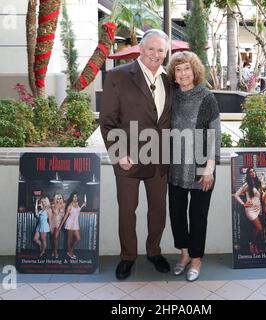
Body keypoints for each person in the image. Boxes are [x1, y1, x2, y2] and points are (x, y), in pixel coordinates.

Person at [99, 29, 171, 280]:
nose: (155, 54)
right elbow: (107, 121)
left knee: (158, 210)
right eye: (151, 48)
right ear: (141, 48)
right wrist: (118, 153)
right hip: (127, 159)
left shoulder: (169, 79)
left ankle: (154, 252)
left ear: (166, 52)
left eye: (161, 50)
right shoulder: (118, 76)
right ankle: (128, 256)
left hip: (160, 159)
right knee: (127, 211)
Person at [167, 51, 221, 281]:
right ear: (174, 75)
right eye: (178, 70)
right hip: (175, 168)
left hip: (201, 169)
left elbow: (215, 133)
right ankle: (184, 254)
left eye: (187, 68)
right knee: (177, 215)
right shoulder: (172, 97)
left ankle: (197, 260)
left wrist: (209, 167)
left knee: (198, 217)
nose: (183, 74)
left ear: (194, 70)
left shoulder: (206, 97)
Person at [234, 168, 263, 255]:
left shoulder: (258, 183)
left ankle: (255, 245)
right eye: (250, 172)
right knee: (259, 228)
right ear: (248, 174)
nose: (252, 173)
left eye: (253, 171)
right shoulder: (247, 185)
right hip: (250, 210)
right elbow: (236, 195)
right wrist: (243, 203)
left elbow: (259, 197)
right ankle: (252, 243)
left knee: (255, 229)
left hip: (258, 209)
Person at [57, 192, 85, 259]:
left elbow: (77, 212)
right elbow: (65, 216)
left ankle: (70, 250)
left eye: (76, 197)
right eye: (74, 197)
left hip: (76, 223)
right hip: (70, 223)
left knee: (78, 239)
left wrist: (82, 206)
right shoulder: (70, 206)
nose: (75, 198)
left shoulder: (78, 204)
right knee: (69, 239)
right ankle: (70, 252)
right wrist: (60, 227)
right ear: (72, 197)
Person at [51, 193, 65, 258]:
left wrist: (60, 205)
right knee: (54, 238)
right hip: (53, 222)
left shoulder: (64, 205)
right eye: (57, 198)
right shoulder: (53, 205)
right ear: (55, 199)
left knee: (56, 237)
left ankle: (56, 252)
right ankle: (54, 250)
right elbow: (53, 213)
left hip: (59, 223)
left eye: (60, 198)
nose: (59, 199)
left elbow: (63, 215)